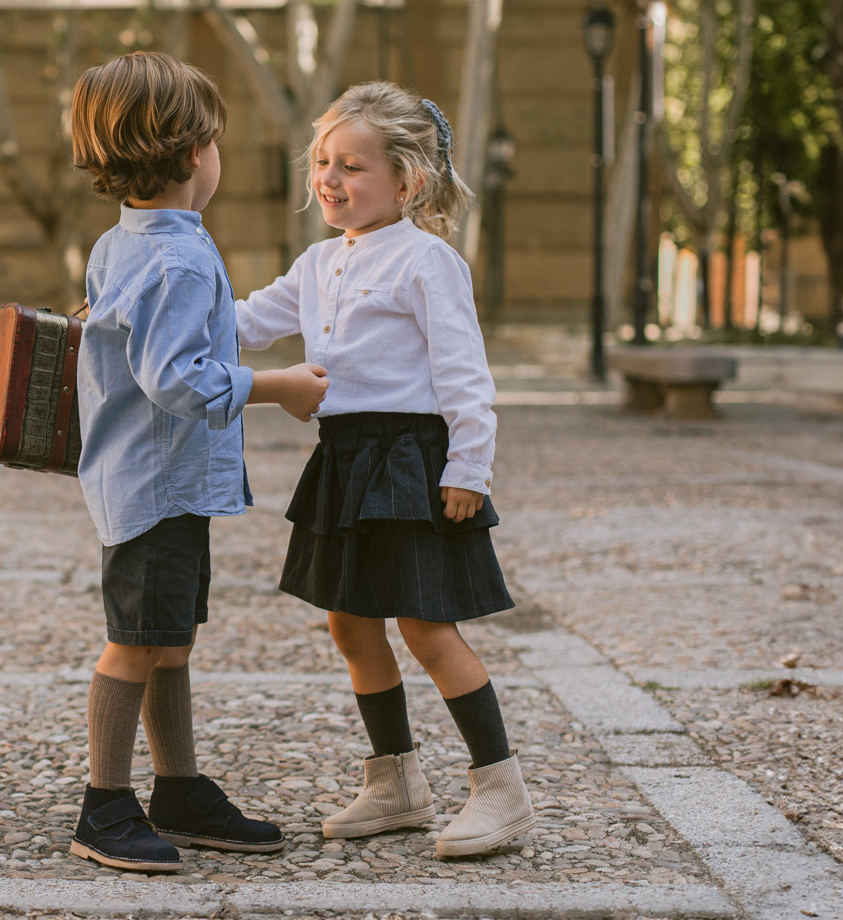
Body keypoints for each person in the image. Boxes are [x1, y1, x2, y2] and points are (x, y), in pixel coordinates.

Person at [235, 81, 531, 858]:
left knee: (427, 626)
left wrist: (469, 466)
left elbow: (465, 374)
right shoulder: (317, 261)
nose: (331, 178)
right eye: (324, 161)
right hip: (343, 459)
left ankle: (500, 789)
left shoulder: (428, 262)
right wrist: (154, 310)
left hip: (410, 459)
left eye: (354, 166)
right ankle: (394, 782)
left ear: (409, 180)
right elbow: (245, 322)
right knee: (348, 619)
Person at [67, 50, 331, 873]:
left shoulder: (128, 241)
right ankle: (104, 807)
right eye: (214, 142)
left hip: (158, 481)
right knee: (136, 643)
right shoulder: (177, 257)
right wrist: (278, 383)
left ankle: (177, 788)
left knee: (168, 638)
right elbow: (175, 380)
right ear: (192, 155)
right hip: (153, 485)